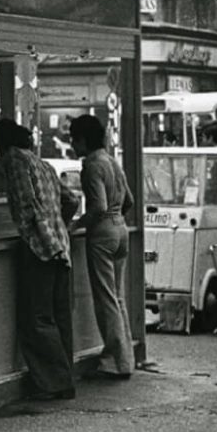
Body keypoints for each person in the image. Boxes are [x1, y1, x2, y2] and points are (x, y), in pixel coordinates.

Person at [0, 119, 81, 400]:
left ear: (1, 145)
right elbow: (71, 201)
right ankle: (65, 376)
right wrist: (58, 228)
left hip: (39, 248)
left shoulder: (15, 162)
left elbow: (26, 205)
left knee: (37, 319)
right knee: (58, 316)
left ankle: (54, 382)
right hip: (60, 246)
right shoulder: (44, 164)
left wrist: (37, 234)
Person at [69, 114, 134, 379]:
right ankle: (125, 358)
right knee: (118, 297)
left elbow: (98, 206)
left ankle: (113, 362)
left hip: (103, 234)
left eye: (74, 139)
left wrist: (76, 225)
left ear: (84, 140)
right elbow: (128, 199)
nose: (73, 145)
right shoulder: (112, 162)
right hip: (121, 230)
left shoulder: (92, 165)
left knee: (105, 299)